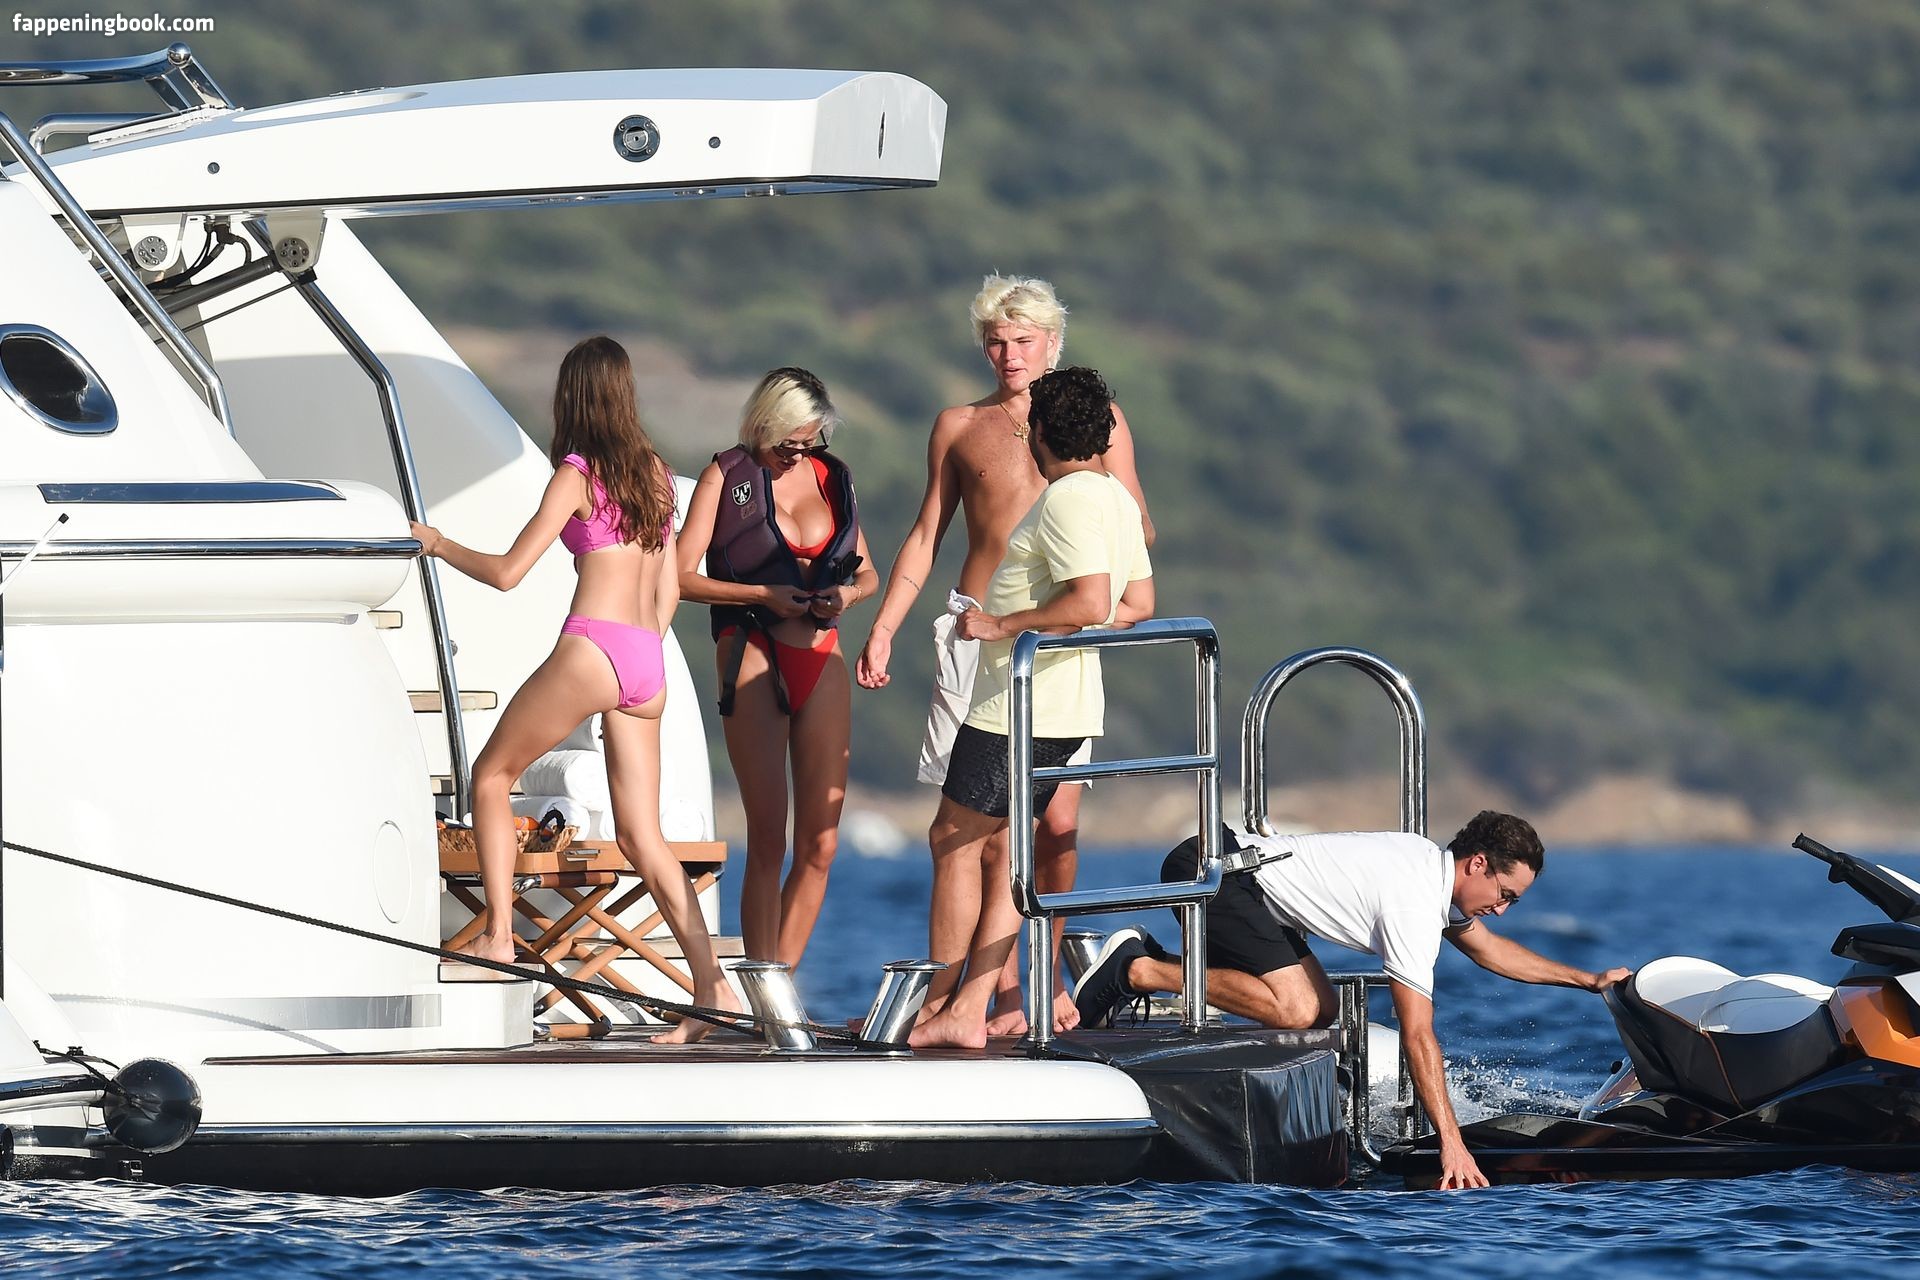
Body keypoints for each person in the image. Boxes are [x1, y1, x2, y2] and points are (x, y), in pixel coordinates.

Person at [410, 335, 739, 1044]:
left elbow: (507, 573)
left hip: (594, 644)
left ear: (573, 396)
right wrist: (636, 659)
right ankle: (711, 986)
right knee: (645, 837)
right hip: (648, 658)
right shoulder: (656, 475)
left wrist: (437, 543)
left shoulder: (577, 474)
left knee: (490, 776)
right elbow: (668, 588)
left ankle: (499, 936)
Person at [856, 275, 1154, 1035]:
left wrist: (1088, 577)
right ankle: (965, 999)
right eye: (996, 341)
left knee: (1052, 827)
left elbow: (1136, 525)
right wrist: (885, 626)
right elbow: (926, 533)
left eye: (1023, 340)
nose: (1009, 353)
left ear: (1053, 343)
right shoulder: (960, 424)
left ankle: (1036, 982)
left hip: (1055, 638)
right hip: (975, 633)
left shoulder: (1094, 420)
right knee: (975, 831)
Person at [1071, 810, 1633, 1189]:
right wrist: (1452, 1145)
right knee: (1296, 1010)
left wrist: (1587, 980)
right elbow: (1418, 1034)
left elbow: (1490, 950)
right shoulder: (1414, 904)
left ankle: (1152, 965)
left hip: (1244, 879)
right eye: (1504, 895)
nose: (1503, 910)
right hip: (1213, 869)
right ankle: (1137, 969)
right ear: (1478, 864)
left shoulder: (1428, 866)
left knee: (1321, 1011)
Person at [677, 368, 879, 969]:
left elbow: (868, 572)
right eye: (788, 443)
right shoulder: (725, 475)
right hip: (751, 647)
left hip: (820, 649)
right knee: (768, 837)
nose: (798, 455)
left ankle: (779, 985)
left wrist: (847, 596)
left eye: (809, 443)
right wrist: (761, 594)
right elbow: (680, 576)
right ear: (763, 425)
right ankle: (761, 989)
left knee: (821, 844)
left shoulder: (831, 477)